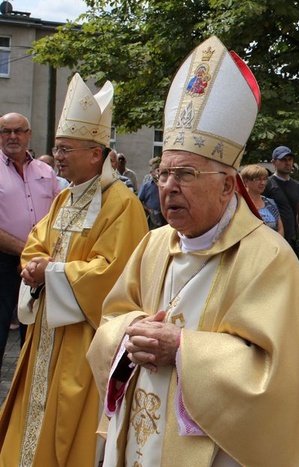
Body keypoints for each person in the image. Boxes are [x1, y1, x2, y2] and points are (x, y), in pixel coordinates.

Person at [86, 36, 299, 466]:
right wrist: (133, 331)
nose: (168, 187)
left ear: (227, 184)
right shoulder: (153, 244)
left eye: (185, 174)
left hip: (223, 449)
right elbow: (112, 318)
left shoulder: (267, 257)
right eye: (164, 173)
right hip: (142, 435)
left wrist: (183, 349)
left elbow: (279, 377)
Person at [0, 75, 149, 466]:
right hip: (48, 328)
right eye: (56, 148)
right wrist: (34, 265)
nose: (58, 156)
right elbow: (37, 240)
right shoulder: (65, 196)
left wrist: (51, 271)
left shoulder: (121, 204)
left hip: (86, 335)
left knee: (73, 421)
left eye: (66, 149)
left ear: (96, 154)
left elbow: (113, 270)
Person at [0, 112, 61, 373]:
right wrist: (27, 251)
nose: (12, 136)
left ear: (29, 135)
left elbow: (61, 215)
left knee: (34, 337)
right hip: (3, 263)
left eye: (18, 131)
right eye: (5, 131)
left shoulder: (46, 172)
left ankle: (25, 404)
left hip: (40, 266)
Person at [264, 145, 299, 255]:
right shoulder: (266, 184)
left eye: (290, 159)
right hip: (271, 241)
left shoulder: (298, 186)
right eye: (283, 160)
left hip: (291, 242)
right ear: (273, 162)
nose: (287, 163)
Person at [240, 163, 284, 236]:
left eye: (264, 179)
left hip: (273, 245)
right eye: (258, 179)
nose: (263, 183)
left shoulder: (270, 202)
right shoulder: (239, 203)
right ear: (246, 181)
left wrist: (277, 244)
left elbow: (280, 228)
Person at [138, 156, 166, 229]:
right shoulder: (147, 186)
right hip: (152, 218)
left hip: (165, 217)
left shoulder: (166, 185)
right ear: (151, 173)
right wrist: (149, 210)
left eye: (160, 171)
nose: (158, 174)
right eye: (156, 171)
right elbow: (139, 201)